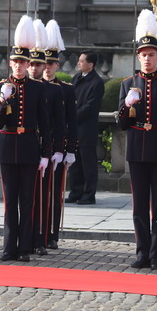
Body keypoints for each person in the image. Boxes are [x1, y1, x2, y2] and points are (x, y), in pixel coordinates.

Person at [116, 9, 157, 270]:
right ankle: (142, 251)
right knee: (139, 206)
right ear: (139, 56)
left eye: (152, 55)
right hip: (136, 149)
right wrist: (126, 106)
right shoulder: (127, 84)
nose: (147, 59)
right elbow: (122, 124)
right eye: (143, 55)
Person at [0, 15, 51, 262]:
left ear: (28, 64)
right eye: (15, 61)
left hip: (28, 147)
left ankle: (25, 246)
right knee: (9, 202)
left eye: (22, 61)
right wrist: (4, 101)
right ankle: (9, 247)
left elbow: (45, 124)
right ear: (10, 63)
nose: (18, 65)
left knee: (27, 201)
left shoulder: (38, 88)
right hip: (8, 146)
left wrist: (46, 154)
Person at [28, 19, 62, 256]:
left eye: (46, 64)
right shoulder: (20, 87)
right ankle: (28, 237)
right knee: (27, 195)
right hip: (26, 146)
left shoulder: (57, 90)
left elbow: (60, 123)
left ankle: (43, 236)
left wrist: (61, 149)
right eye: (36, 63)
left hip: (45, 147)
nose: (40, 68)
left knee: (46, 195)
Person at [42, 19, 76, 250]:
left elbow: (70, 122)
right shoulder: (33, 86)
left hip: (57, 148)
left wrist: (69, 150)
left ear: (57, 65)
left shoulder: (66, 89)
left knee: (54, 194)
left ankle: (52, 233)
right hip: (37, 147)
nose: (47, 67)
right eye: (44, 62)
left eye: (51, 63)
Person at [67, 50, 103, 205]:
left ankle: (89, 194)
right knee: (75, 162)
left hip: (86, 128)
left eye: (82, 61)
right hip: (74, 128)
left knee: (88, 162)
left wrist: (73, 116)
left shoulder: (97, 82)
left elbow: (90, 106)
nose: (79, 63)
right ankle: (76, 191)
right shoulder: (76, 78)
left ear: (90, 64)